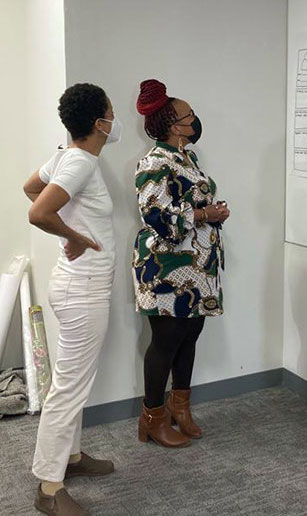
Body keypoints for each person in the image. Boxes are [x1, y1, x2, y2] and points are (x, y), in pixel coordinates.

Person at [23, 83, 121, 516]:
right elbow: (37, 210)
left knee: (75, 380)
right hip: (82, 291)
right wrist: (74, 235)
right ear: (100, 123)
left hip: (75, 287)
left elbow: (31, 187)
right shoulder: (79, 162)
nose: (115, 120)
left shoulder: (67, 157)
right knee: (69, 387)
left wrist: (71, 225)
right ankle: (49, 486)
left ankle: (73, 458)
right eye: (112, 113)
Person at [132, 79, 230, 448]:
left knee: (190, 335)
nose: (195, 120)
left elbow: (189, 205)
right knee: (166, 341)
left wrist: (214, 213)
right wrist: (205, 213)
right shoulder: (154, 162)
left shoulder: (186, 157)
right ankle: (152, 418)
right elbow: (157, 218)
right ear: (174, 125)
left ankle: (180, 409)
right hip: (166, 269)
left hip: (198, 267)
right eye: (189, 116)